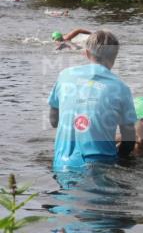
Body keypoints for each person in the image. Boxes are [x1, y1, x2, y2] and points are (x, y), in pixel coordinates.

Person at [48, 30, 137, 171]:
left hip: (61, 164)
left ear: (87, 53)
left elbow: (54, 121)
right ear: (115, 56)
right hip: (100, 167)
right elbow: (129, 141)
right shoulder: (121, 88)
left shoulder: (64, 76)